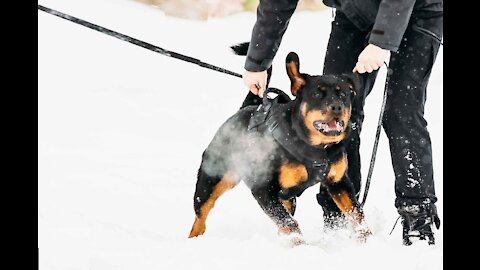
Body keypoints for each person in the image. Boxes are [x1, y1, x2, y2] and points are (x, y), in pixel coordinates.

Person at [241, 0, 443, 245]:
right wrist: (257, 63)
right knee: (335, 115)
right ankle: (338, 213)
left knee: (401, 113)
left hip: (418, 13)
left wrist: (380, 40)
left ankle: (417, 216)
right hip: (355, 13)